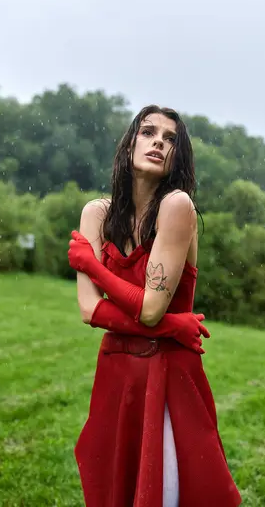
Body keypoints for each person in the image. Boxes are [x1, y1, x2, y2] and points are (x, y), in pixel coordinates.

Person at [68, 105, 242, 507]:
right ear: (130, 143)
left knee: (168, 492)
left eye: (169, 140)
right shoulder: (97, 212)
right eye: (148, 133)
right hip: (117, 372)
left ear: (177, 157)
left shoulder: (177, 206)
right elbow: (89, 309)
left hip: (169, 376)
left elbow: (149, 309)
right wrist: (171, 327)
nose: (158, 143)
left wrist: (92, 265)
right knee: (116, 488)